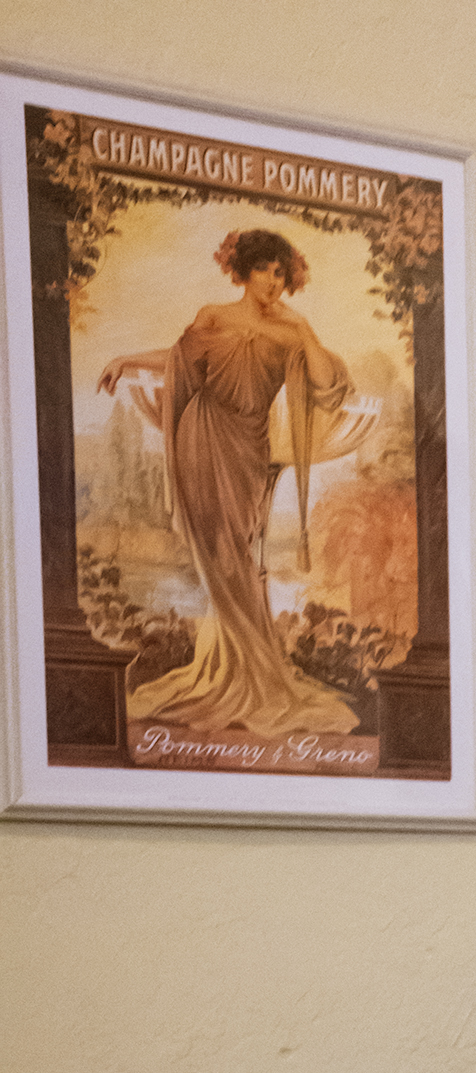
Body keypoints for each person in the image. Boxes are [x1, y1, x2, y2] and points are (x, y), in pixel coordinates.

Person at [98, 227, 359, 737]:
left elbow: (329, 386)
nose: (273, 282)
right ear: (243, 271)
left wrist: (305, 330)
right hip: (203, 436)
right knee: (219, 553)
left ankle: (248, 672)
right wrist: (126, 358)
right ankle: (241, 666)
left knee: (241, 551)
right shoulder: (213, 317)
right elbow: (178, 363)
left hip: (248, 446)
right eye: (263, 269)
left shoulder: (289, 332)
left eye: (281, 272)